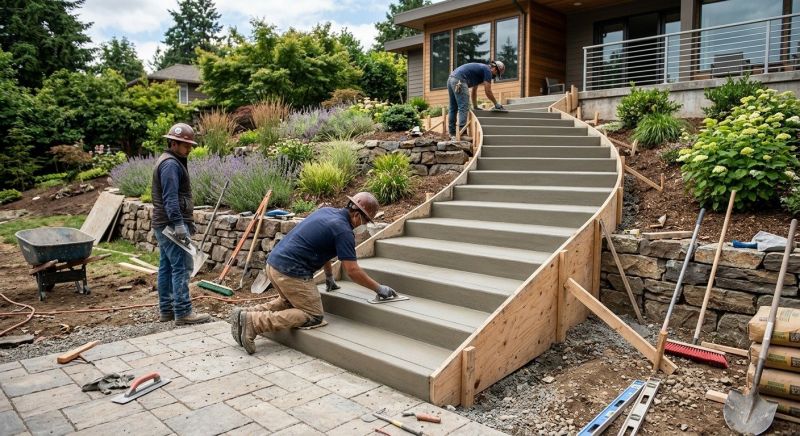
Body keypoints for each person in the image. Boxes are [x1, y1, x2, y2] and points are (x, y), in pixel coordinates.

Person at [229, 192, 398, 354]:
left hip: (274, 265)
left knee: (289, 302)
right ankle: (254, 322)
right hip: (291, 272)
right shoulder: (344, 231)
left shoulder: (327, 212)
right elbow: (352, 270)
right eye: (366, 221)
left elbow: (323, 249)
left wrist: (330, 276)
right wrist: (378, 289)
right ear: (357, 215)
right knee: (313, 314)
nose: (364, 225)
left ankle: (245, 313)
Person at [151, 123, 210, 325]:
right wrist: (179, 224)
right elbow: (171, 199)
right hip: (169, 224)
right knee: (182, 266)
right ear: (174, 143)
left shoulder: (171, 160)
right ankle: (183, 312)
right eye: (186, 145)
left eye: (190, 145)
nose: (190, 149)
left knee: (167, 266)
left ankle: (167, 310)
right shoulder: (170, 165)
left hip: (163, 223)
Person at [447, 60, 506, 140]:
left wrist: (475, 106)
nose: (494, 77)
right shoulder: (487, 71)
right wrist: (496, 103)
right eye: (496, 74)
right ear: (495, 69)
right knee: (463, 107)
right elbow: (488, 91)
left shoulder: (480, 71)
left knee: (453, 108)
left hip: (451, 79)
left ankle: (452, 133)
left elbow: (474, 91)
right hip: (459, 80)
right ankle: (462, 134)